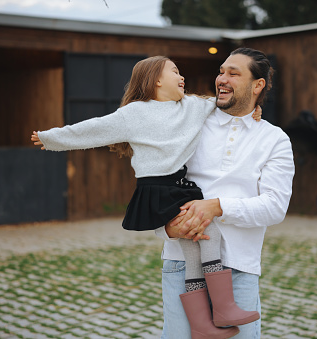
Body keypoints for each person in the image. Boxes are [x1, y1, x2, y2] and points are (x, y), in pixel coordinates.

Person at [31, 55, 262, 338]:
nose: (182, 77)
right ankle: (224, 308)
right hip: (156, 189)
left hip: (181, 187)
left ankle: (202, 325)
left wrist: (253, 109)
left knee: (192, 251)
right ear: (156, 79)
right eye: (175, 71)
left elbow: (227, 104)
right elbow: (92, 129)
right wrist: (51, 138)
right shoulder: (135, 113)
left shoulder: (193, 106)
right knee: (208, 234)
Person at [155, 47, 295, 338]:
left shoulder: (274, 139)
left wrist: (216, 207)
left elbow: (274, 207)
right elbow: (157, 185)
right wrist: (166, 227)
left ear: (258, 85)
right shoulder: (189, 123)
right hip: (181, 263)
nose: (222, 78)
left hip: (239, 268)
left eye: (234, 73)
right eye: (221, 71)